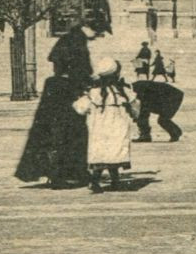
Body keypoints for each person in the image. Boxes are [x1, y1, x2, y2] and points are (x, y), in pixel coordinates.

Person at [15, 15, 100, 189]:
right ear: (88, 27)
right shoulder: (77, 42)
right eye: (97, 32)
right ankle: (64, 173)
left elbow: (56, 60)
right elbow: (80, 69)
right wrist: (89, 81)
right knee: (68, 134)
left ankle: (63, 172)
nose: (98, 36)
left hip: (56, 90)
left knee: (52, 132)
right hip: (67, 92)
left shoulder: (69, 39)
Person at [74, 57, 139, 193]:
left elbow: (80, 107)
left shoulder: (94, 92)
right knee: (114, 153)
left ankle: (96, 182)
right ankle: (114, 181)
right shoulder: (123, 91)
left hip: (99, 128)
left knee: (101, 154)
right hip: (118, 127)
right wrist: (133, 115)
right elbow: (135, 108)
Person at [132, 78, 185, 143]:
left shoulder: (140, 89)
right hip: (166, 97)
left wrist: (137, 116)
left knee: (162, 119)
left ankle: (175, 133)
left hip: (172, 97)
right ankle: (176, 132)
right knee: (145, 114)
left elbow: (143, 109)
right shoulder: (138, 87)